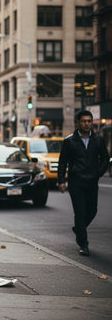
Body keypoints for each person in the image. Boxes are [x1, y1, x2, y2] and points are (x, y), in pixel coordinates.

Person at [58, 110, 109, 257]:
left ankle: (79, 229)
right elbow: (63, 162)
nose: (87, 123)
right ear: (78, 123)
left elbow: (105, 158)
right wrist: (61, 180)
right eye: (84, 121)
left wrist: (98, 173)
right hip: (76, 182)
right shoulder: (69, 141)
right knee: (80, 213)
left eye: (89, 121)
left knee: (92, 210)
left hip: (92, 181)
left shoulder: (98, 140)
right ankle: (83, 244)